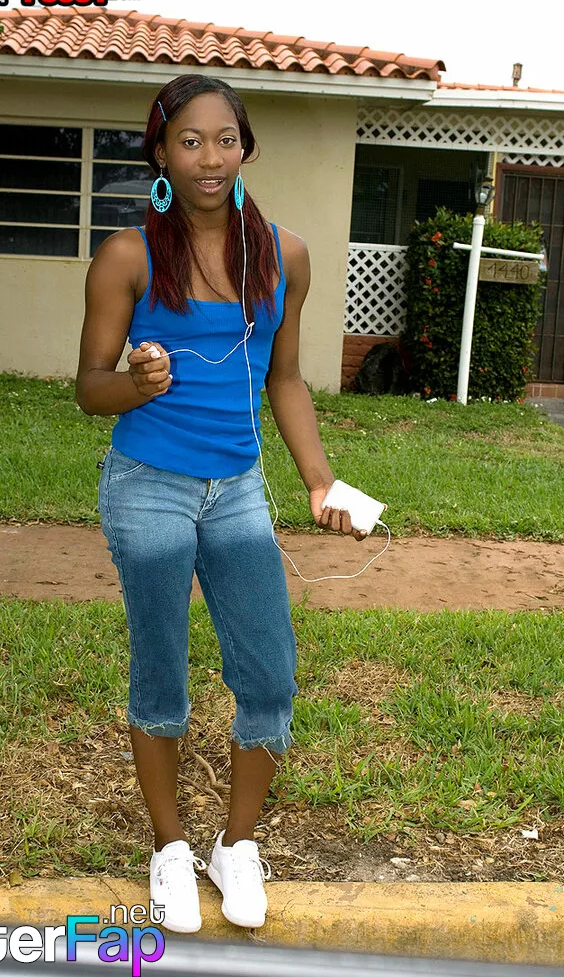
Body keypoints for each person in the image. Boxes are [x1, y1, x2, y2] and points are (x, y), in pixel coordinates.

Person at [76, 73, 365, 935]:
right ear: (161, 153)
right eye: (190, 141)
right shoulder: (127, 257)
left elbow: (285, 379)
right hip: (148, 487)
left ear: (246, 148)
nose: (209, 157)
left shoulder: (284, 256)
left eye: (225, 139)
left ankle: (234, 845)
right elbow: (88, 388)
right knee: (161, 673)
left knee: (268, 677)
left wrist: (317, 479)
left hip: (236, 491)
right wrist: (136, 382)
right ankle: (168, 847)